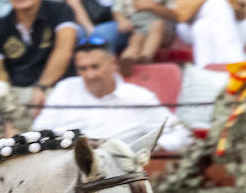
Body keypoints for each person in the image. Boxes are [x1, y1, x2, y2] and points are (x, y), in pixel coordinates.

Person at [34, 38, 194, 150]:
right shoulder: (65, 89)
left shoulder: (138, 97)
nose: (90, 75)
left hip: (117, 178)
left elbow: (181, 134)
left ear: (112, 65)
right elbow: (39, 132)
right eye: (83, 68)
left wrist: (141, 150)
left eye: (95, 67)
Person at [0, 0, 78, 108]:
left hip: (57, 88)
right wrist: (7, 99)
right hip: (17, 93)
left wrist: (41, 87)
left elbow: (63, 51)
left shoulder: (61, 11)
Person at [173, 0, 246, 68]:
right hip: (189, 21)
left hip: (233, 23)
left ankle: (207, 79)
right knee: (217, 4)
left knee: (202, 28)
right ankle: (237, 67)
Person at [115, 0, 176, 70]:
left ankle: (145, 59)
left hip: (161, 22)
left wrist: (152, 6)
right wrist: (122, 20)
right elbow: (117, 8)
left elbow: (173, 14)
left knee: (157, 25)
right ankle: (126, 61)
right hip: (138, 23)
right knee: (136, 39)